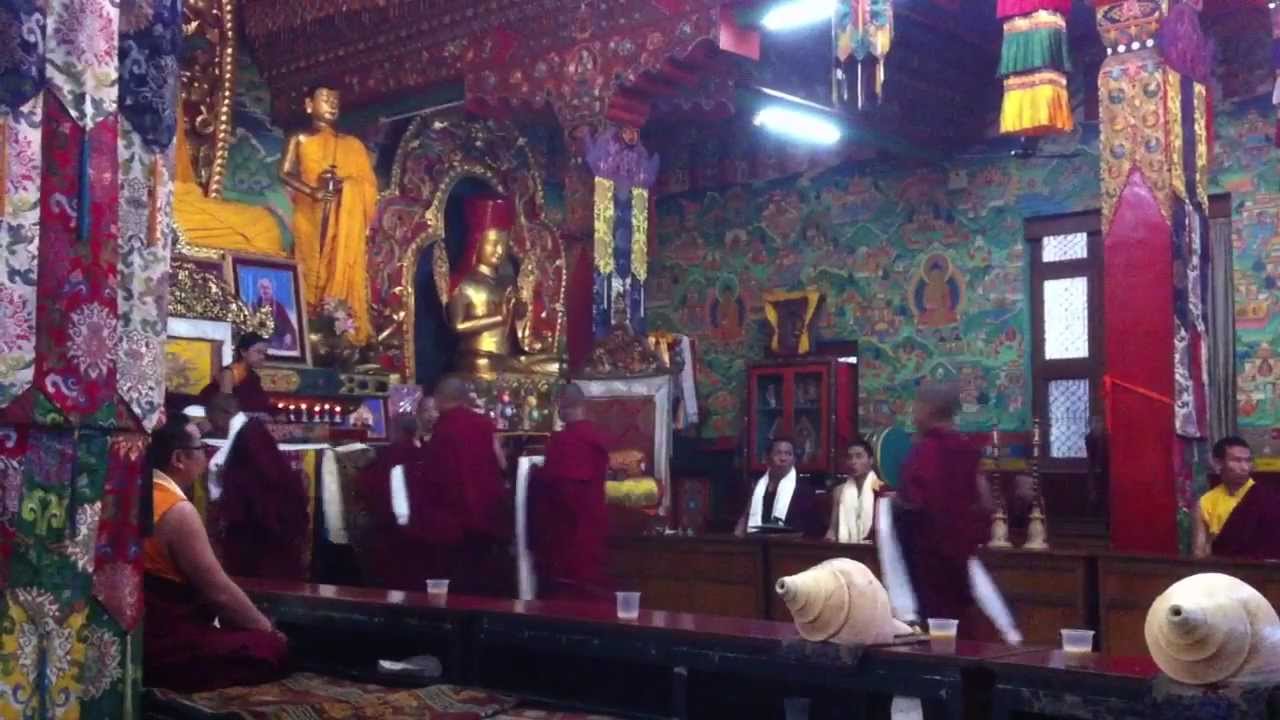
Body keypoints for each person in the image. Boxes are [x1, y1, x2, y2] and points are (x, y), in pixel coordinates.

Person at [143, 414, 289, 692]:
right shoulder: (177, 510)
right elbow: (218, 592)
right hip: (166, 645)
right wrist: (266, 629)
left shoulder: (136, 494)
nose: (206, 456)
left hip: (139, 638)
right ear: (179, 459)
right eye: (201, 448)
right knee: (269, 649)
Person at [885, 383, 1010, 640]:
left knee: (935, 637)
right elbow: (985, 503)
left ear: (929, 410)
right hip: (960, 564)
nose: (914, 414)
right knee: (962, 632)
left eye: (916, 407)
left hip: (928, 569)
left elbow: (915, 507)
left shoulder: (925, 452)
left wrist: (893, 504)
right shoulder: (967, 450)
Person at [280, 85, 376, 344]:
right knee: (308, 263)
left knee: (336, 262)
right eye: (325, 99)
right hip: (310, 212)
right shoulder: (299, 137)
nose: (332, 105)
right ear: (309, 105)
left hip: (342, 217)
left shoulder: (351, 145)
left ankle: (337, 322)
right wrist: (312, 191)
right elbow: (284, 173)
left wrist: (346, 185)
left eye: (335, 100)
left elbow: (367, 186)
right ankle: (306, 317)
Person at [415, 375, 513, 596]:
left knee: (460, 580)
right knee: (484, 577)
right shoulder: (483, 424)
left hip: (455, 520)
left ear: (440, 399)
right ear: (464, 398)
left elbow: (436, 478)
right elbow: (501, 464)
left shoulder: (444, 429)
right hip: (488, 515)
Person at [206, 393, 311, 581]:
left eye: (212, 418)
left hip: (256, 536)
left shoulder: (246, 437)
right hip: (270, 534)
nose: (213, 426)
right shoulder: (251, 435)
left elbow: (245, 481)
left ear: (223, 413)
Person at [529, 383, 611, 601]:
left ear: (561, 407)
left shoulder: (564, 441)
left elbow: (563, 491)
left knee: (569, 594)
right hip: (592, 522)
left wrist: (535, 476)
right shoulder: (595, 435)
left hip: (567, 529)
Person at [1195, 436, 1280, 559]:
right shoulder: (1206, 502)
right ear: (1218, 463)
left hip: (1265, 572)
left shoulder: (1268, 497)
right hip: (1225, 572)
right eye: (1237, 461)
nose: (1245, 467)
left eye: (1248, 461)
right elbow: (1199, 553)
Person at [734, 436, 822, 538]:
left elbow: (810, 530)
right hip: (756, 544)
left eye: (788, 454)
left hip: (789, 547)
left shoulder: (804, 489)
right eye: (778, 453)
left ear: (794, 459)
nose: (783, 458)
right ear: (767, 458)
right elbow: (744, 520)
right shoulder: (757, 486)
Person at [199, 333, 274, 415]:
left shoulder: (254, 377)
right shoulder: (229, 374)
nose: (262, 357)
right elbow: (225, 408)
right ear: (243, 352)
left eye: (264, 353)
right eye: (258, 352)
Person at [826, 439, 883, 544]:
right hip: (845, 549)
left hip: (872, 550)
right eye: (849, 457)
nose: (853, 462)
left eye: (859, 456)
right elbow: (832, 530)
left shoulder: (881, 489)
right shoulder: (839, 491)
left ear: (871, 460)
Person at [254, 277, 299, 352]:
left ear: (272, 290)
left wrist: (288, 335)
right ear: (259, 290)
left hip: (277, 342)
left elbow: (288, 326)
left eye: (267, 288)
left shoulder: (278, 307)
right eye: (262, 288)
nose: (265, 290)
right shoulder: (254, 306)